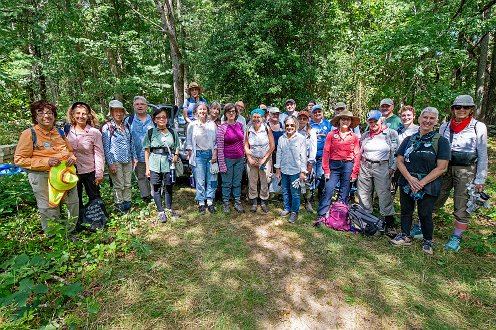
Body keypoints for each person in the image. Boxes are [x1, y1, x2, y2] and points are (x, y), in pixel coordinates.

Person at [391, 107, 450, 255]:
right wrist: (410, 179)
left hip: (429, 183)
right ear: (419, 119)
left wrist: (421, 182)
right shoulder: (409, 139)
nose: (427, 121)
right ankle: (405, 235)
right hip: (407, 181)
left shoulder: (441, 141)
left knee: (425, 213)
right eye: (425, 117)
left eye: (431, 118)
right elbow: (399, 161)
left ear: (436, 121)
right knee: (406, 211)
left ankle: (427, 241)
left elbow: (442, 167)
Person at [433, 95, 488, 251]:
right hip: (445, 166)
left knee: (462, 202)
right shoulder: (444, 126)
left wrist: (480, 178)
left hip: (466, 169)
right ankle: (422, 226)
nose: (461, 110)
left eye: (465, 107)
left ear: (471, 109)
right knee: (436, 195)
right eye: (458, 107)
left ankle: (456, 236)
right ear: (453, 109)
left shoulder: (478, 126)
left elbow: (483, 153)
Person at [14, 100, 78, 233]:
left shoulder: (59, 132)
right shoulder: (29, 134)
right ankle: (54, 238)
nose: (46, 116)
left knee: (73, 203)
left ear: (54, 115)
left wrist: (72, 159)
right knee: (49, 208)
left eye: (49, 112)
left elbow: (70, 151)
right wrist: (46, 162)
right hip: (42, 176)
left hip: (65, 174)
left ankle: (70, 233)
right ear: (35, 116)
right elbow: (19, 159)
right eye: (41, 112)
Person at [357, 110, 399, 234]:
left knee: (384, 193)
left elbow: (396, 153)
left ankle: (389, 223)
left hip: (383, 166)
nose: (373, 123)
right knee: (363, 192)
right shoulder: (365, 135)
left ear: (381, 120)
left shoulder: (391, 134)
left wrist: (393, 167)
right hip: (365, 165)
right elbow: (360, 150)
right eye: (370, 121)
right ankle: (366, 219)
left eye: (375, 120)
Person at [316, 110, 361, 219]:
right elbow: (326, 152)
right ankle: (322, 214)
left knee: (344, 190)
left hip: (348, 165)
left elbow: (357, 154)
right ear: (339, 121)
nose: (345, 121)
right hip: (334, 166)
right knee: (329, 189)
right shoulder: (331, 135)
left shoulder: (354, 137)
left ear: (350, 122)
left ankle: (340, 214)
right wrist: (326, 169)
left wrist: (355, 173)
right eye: (343, 119)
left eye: (348, 119)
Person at [143, 107, 181, 223]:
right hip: (154, 163)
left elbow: (177, 146)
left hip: (168, 164)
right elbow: (147, 151)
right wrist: (147, 168)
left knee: (168, 186)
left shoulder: (172, 132)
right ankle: (160, 211)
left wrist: (175, 156)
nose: (161, 119)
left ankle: (168, 209)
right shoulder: (150, 133)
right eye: (158, 117)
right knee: (156, 187)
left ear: (167, 119)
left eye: (163, 117)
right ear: (154, 119)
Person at [65, 102, 104, 208]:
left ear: (88, 115)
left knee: (95, 197)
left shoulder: (94, 132)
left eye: (84, 114)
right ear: (73, 114)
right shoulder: (66, 131)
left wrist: (99, 173)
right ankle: (79, 221)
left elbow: (99, 153)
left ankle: (97, 221)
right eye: (78, 113)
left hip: (90, 171)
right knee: (76, 199)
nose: (81, 116)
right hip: (72, 171)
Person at [102, 100, 138, 212]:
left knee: (127, 183)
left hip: (128, 159)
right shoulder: (107, 127)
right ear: (111, 113)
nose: (118, 114)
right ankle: (119, 205)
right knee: (118, 185)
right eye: (115, 111)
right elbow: (106, 147)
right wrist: (110, 163)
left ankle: (127, 203)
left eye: (120, 111)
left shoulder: (126, 125)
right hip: (115, 161)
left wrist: (134, 157)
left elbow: (131, 142)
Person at [186, 102, 218, 213]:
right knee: (200, 180)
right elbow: (189, 142)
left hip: (210, 155)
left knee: (212, 179)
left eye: (204, 109)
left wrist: (215, 153)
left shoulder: (212, 124)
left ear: (207, 111)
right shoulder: (192, 125)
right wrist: (190, 155)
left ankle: (209, 201)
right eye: (200, 109)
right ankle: (201, 202)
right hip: (198, 155)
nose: (202, 111)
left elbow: (216, 142)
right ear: (196, 112)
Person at [275, 116, 307, 224]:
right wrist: (278, 169)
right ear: (284, 126)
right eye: (287, 125)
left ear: (296, 126)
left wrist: (302, 172)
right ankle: (287, 208)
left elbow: (303, 156)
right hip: (284, 169)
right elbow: (278, 154)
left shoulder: (301, 138)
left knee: (295, 192)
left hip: (295, 170)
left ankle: (294, 211)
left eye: (292, 125)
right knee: (285, 190)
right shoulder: (281, 138)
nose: (289, 127)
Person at [245, 108, 275, 213]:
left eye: (258, 117)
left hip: (265, 159)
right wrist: (249, 158)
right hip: (252, 158)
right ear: (251, 118)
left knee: (264, 180)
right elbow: (246, 145)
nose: (256, 119)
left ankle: (263, 201)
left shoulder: (267, 128)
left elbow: (272, 146)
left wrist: (265, 158)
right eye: (254, 117)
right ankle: (253, 201)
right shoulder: (248, 129)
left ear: (262, 118)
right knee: (252, 180)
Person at [126, 96, 155, 203]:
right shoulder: (128, 120)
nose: (140, 106)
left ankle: (155, 195)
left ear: (146, 106)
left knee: (153, 176)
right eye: (137, 104)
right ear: (133, 106)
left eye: (142, 104)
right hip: (136, 155)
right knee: (141, 177)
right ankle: (145, 196)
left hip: (153, 154)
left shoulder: (153, 119)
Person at [217, 103, 246, 213]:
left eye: (233, 111)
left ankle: (237, 202)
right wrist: (222, 163)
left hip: (239, 158)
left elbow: (242, 142)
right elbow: (219, 147)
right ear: (225, 113)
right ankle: (226, 203)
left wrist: (244, 157)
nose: (231, 113)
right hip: (227, 158)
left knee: (237, 182)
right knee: (226, 183)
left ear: (236, 112)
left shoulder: (240, 125)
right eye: (229, 111)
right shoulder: (222, 128)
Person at [310, 104, 332, 202]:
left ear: (322, 113)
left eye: (319, 112)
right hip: (312, 154)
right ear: (312, 114)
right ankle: (310, 194)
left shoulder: (327, 123)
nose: (317, 114)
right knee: (311, 174)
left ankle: (320, 193)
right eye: (315, 112)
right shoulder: (309, 125)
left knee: (321, 175)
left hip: (324, 154)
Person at [297, 111, 317, 213]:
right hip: (296, 160)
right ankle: (295, 201)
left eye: (304, 119)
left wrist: (310, 163)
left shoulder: (311, 132)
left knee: (307, 181)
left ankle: (307, 201)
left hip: (307, 159)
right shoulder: (293, 130)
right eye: (300, 118)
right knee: (296, 180)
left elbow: (313, 148)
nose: (302, 120)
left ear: (308, 120)